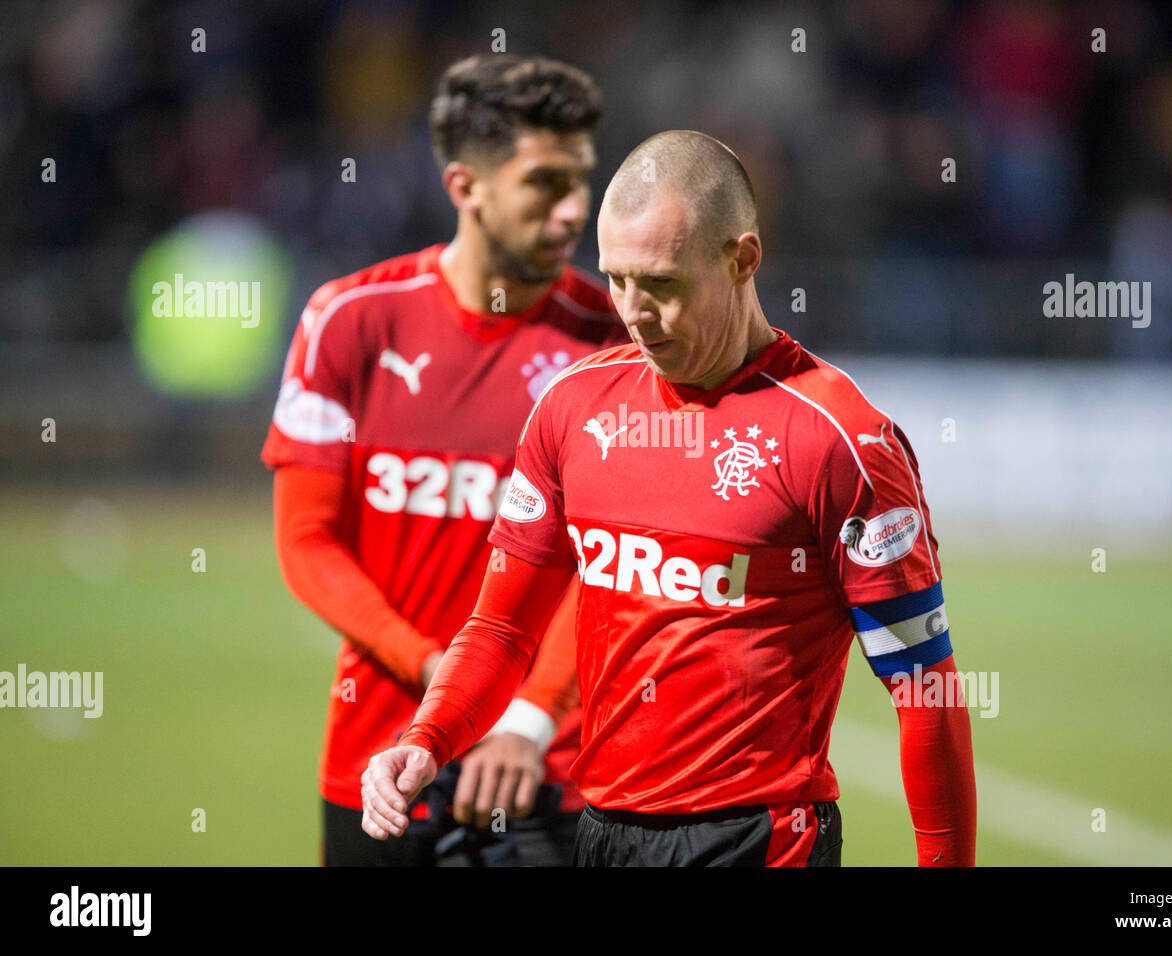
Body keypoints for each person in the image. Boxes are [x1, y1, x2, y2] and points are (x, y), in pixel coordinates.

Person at [361, 130, 976, 866]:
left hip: (760, 838)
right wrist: (426, 740)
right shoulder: (572, 409)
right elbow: (501, 632)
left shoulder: (839, 438)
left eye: (660, 284)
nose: (633, 311)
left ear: (742, 259)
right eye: (616, 279)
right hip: (602, 834)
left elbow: (923, 687)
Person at [262, 54, 624, 866]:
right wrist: (435, 673)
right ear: (466, 188)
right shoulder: (351, 322)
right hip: (378, 753)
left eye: (582, 181)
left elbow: (604, 563)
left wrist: (525, 712)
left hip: (538, 764)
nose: (574, 212)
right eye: (544, 183)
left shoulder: (611, 347)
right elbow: (306, 543)